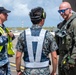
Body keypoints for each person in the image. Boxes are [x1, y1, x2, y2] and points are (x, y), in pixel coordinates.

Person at [16, 7, 58, 75]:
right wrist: (54, 71)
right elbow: (55, 57)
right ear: (42, 19)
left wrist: (18, 70)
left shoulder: (23, 35)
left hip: (28, 71)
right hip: (44, 71)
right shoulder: (48, 35)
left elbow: (18, 56)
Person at [55, 2, 76, 75]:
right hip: (63, 58)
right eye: (60, 11)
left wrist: (73, 59)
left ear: (70, 10)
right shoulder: (62, 25)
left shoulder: (74, 23)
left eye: (63, 11)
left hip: (71, 59)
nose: (61, 13)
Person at [0, 7, 15, 75]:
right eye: (5, 13)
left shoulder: (3, 28)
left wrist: (11, 36)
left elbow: (8, 40)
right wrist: (4, 37)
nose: (7, 15)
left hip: (5, 60)